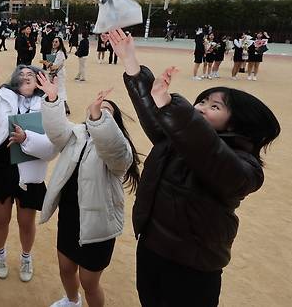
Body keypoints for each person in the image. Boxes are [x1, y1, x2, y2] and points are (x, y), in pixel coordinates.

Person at [107, 28, 281, 307]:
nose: (200, 107)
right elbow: (156, 117)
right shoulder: (178, 140)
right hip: (152, 249)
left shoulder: (245, 168)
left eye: (214, 106)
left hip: (193, 267)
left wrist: (170, 104)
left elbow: (208, 152)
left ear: (236, 124)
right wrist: (130, 61)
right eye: (201, 101)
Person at [37, 73, 139, 307]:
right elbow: (56, 132)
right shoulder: (76, 134)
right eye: (95, 107)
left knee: (89, 282)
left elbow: (113, 151)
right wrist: (53, 99)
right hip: (71, 215)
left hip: (99, 224)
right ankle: (72, 301)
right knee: (65, 268)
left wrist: (98, 116)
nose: (98, 111)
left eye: (106, 112)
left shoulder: (119, 150)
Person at [0, 64, 57, 283]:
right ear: (14, 80)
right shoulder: (3, 96)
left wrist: (26, 139)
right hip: (2, 165)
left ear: (39, 80)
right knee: (1, 219)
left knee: (26, 221)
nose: (26, 76)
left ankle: (26, 257)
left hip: (30, 169)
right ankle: (0, 254)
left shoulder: (48, 103)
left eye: (31, 74)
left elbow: (52, 147)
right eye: (21, 74)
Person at [46, 36, 70, 115]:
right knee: (56, 89)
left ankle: (65, 106)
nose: (54, 43)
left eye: (56, 42)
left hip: (59, 74)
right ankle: (59, 106)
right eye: (53, 41)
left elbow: (55, 66)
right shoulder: (54, 51)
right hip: (55, 74)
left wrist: (48, 64)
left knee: (60, 89)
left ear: (60, 43)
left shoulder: (60, 53)